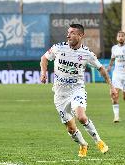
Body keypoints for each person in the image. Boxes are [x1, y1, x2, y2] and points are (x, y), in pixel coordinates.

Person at [40, 24, 117, 158]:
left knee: (81, 117)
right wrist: (43, 72)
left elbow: (101, 69)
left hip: (77, 89)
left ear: (81, 35)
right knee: (71, 128)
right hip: (60, 94)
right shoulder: (59, 48)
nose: (68, 35)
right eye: (68, 32)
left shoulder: (87, 53)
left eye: (72, 33)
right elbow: (44, 58)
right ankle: (83, 144)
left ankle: (99, 141)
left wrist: (111, 86)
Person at [107, 31, 125, 123]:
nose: (121, 37)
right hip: (117, 74)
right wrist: (109, 67)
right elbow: (112, 59)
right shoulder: (114, 48)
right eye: (119, 36)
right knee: (114, 94)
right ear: (117, 38)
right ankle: (116, 117)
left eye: (122, 36)